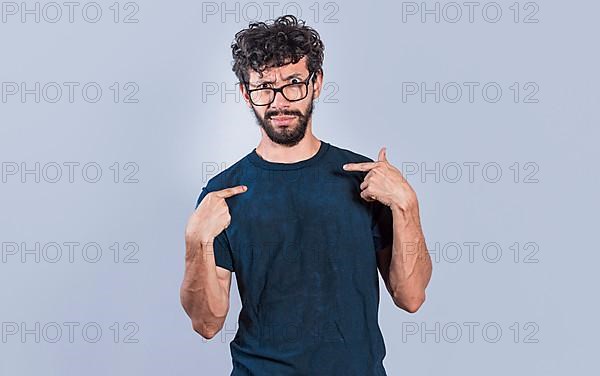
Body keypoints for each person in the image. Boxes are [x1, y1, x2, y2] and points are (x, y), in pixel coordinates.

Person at [180, 15, 432, 375]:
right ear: (244, 94)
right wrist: (195, 241)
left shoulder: (364, 180)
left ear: (317, 83)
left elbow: (411, 297)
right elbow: (207, 325)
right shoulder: (223, 195)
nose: (279, 101)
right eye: (264, 86)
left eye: (294, 83)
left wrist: (408, 205)